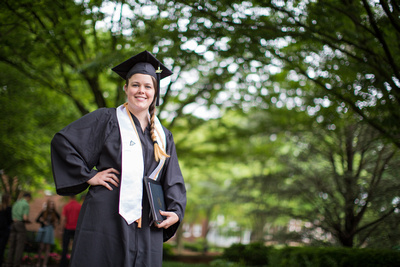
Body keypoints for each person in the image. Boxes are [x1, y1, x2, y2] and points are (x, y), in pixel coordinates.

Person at [51, 50, 186, 267]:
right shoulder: (106, 119)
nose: (141, 90)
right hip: (106, 216)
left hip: (148, 221)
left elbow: (173, 179)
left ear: (155, 92)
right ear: (126, 88)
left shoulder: (164, 135)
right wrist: (89, 176)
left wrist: (176, 212)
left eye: (148, 86)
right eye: (135, 85)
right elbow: (63, 142)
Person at [6, 192, 32, 267]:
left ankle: (9, 263)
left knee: (12, 245)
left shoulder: (16, 203)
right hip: (20, 224)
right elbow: (25, 218)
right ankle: (16, 264)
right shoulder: (26, 204)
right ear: (28, 197)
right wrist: (29, 221)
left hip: (13, 224)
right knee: (19, 246)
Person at [35, 199, 60, 267]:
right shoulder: (44, 212)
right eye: (50, 204)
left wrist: (55, 224)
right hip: (43, 229)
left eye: (53, 204)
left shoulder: (54, 212)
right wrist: (43, 222)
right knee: (41, 247)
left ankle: (44, 264)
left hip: (50, 230)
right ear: (48, 205)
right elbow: (37, 220)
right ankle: (38, 262)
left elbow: (59, 219)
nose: (52, 205)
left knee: (47, 247)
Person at [59, 196, 81, 267]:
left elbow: (63, 218)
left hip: (67, 228)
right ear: (76, 197)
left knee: (65, 247)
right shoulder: (79, 206)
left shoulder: (66, 206)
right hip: (76, 229)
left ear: (69, 197)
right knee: (76, 248)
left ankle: (63, 264)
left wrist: (61, 229)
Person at [0, 194, 12, 266]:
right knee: (2, 248)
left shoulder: (0, 207)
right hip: (4, 230)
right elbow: (10, 220)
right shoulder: (8, 208)